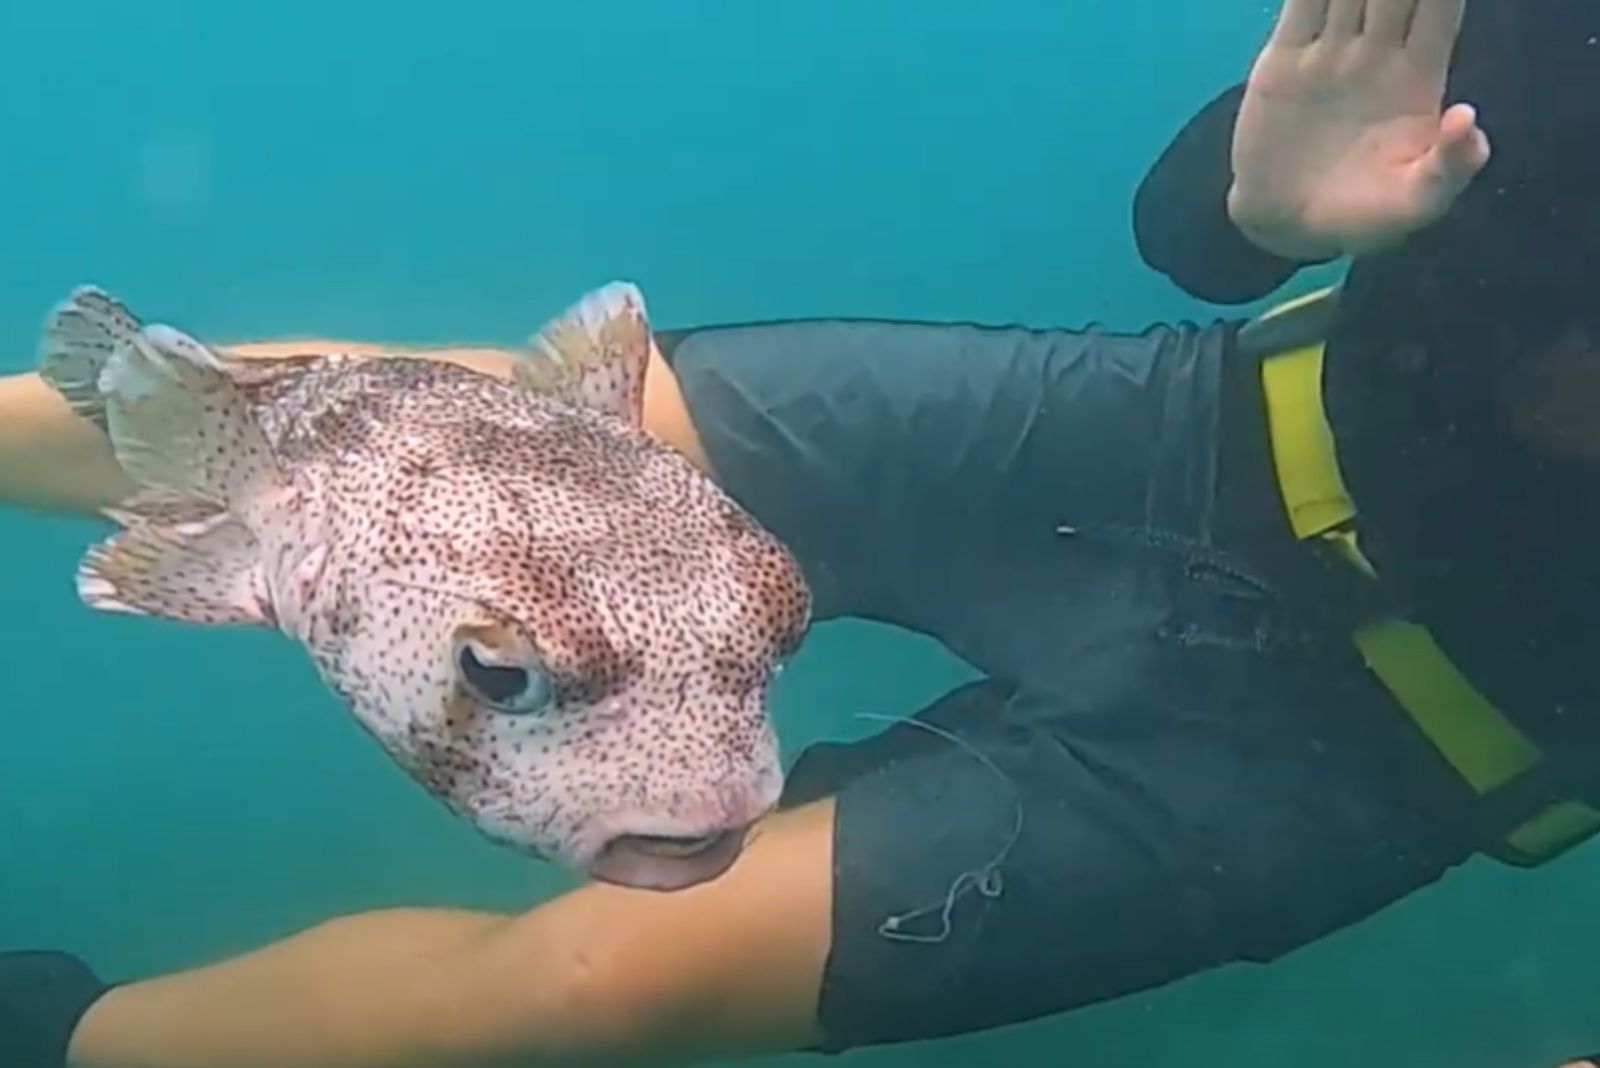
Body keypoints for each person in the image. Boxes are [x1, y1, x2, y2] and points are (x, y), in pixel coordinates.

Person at [1, 1, 1593, 1065]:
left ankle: (54, 1029)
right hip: (1193, 430)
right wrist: (1272, 206)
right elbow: (1202, 215)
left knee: (598, 988)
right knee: (464, 413)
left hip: (1404, 743)